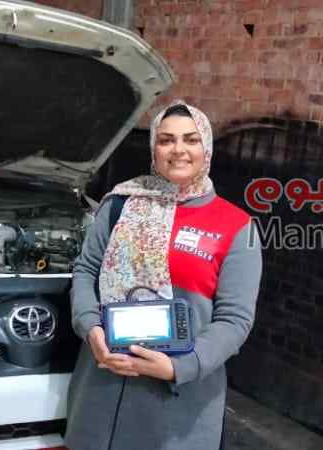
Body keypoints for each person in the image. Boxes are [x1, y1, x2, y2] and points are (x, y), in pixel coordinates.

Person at [64, 101, 262, 449]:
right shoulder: (120, 205)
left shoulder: (236, 226)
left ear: (206, 148)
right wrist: (90, 328)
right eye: (166, 139)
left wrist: (179, 367)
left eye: (191, 139)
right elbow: (85, 270)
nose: (178, 150)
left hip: (176, 408)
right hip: (101, 389)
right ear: (153, 147)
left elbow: (235, 321)